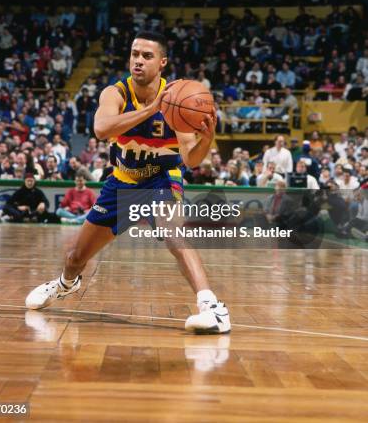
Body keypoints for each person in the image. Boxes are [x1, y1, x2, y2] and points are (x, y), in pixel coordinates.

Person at [26, 31, 231, 334]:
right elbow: (100, 128)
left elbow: (190, 160)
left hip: (162, 179)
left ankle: (212, 308)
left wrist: (208, 139)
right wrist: (150, 110)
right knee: (75, 258)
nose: (138, 60)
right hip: (122, 183)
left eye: (147, 56)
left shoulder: (178, 99)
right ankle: (64, 284)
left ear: (162, 62)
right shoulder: (116, 93)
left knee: (174, 233)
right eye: (135, 54)